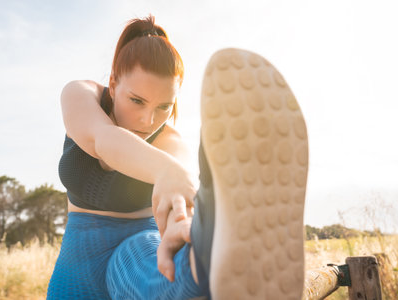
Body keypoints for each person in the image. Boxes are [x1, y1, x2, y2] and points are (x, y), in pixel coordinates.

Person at [47, 15, 308, 300]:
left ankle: (207, 257)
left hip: (138, 250)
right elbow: (102, 140)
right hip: (75, 267)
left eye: (164, 106)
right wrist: (166, 171)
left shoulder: (172, 143)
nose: (148, 120)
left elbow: (180, 202)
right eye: (137, 100)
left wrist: (184, 225)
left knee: (163, 273)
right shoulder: (82, 95)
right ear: (113, 83)